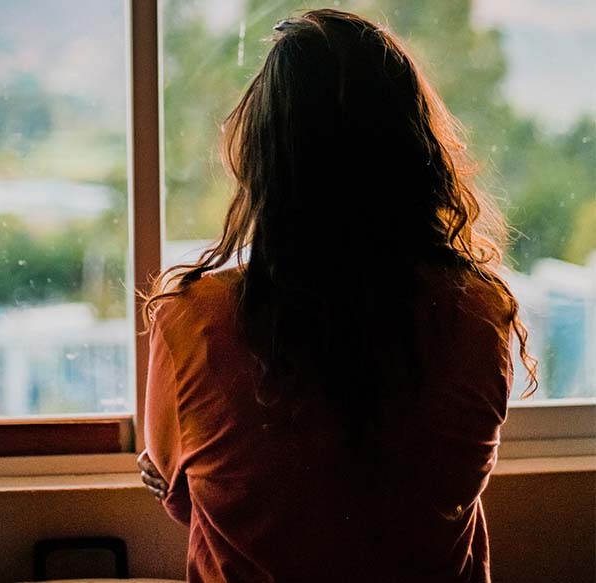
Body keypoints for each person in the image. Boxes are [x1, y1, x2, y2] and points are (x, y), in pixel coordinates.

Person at [137, 9, 536, 583]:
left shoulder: (194, 322)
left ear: (265, 162)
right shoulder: (481, 313)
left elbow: (187, 497)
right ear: (414, 153)